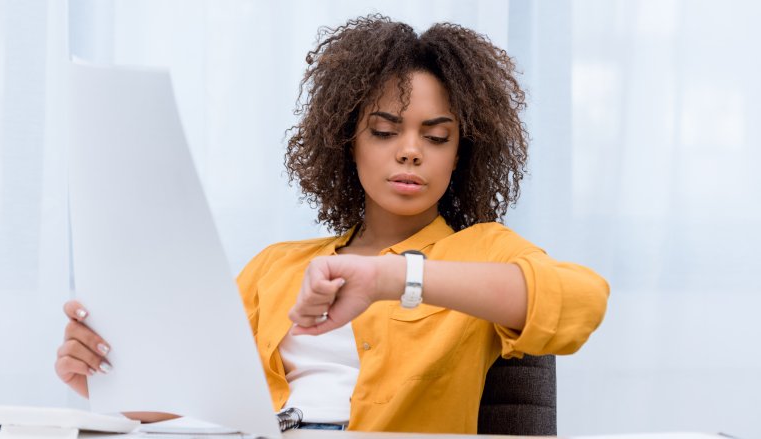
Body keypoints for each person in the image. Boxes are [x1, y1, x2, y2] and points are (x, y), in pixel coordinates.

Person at [55, 14, 609, 434]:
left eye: (436, 136)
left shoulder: (485, 251)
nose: (411, 152)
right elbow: (206, 398)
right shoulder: (277, 267)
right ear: (346, 142)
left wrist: (393, 279)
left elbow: (583, 303)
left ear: (462, 153)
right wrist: (105, 381)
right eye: (385, 131)